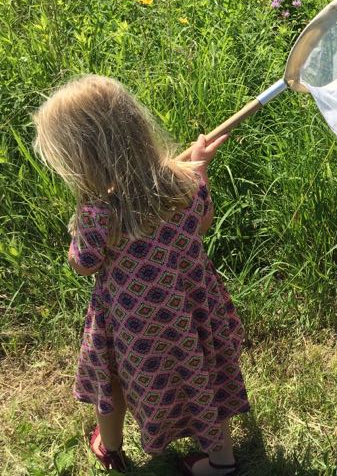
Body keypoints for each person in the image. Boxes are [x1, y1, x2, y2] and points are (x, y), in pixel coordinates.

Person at [33, 75, 249, 475]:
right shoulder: (183, 184)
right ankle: (221, 462)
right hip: (191, 309)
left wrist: (77, 235)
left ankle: (111, 447)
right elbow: (200, 225)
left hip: (132, 326)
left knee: (111, 379)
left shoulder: (98, 214)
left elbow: (84, 264)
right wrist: (199, 168)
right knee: (208, 372)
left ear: (84, 161)